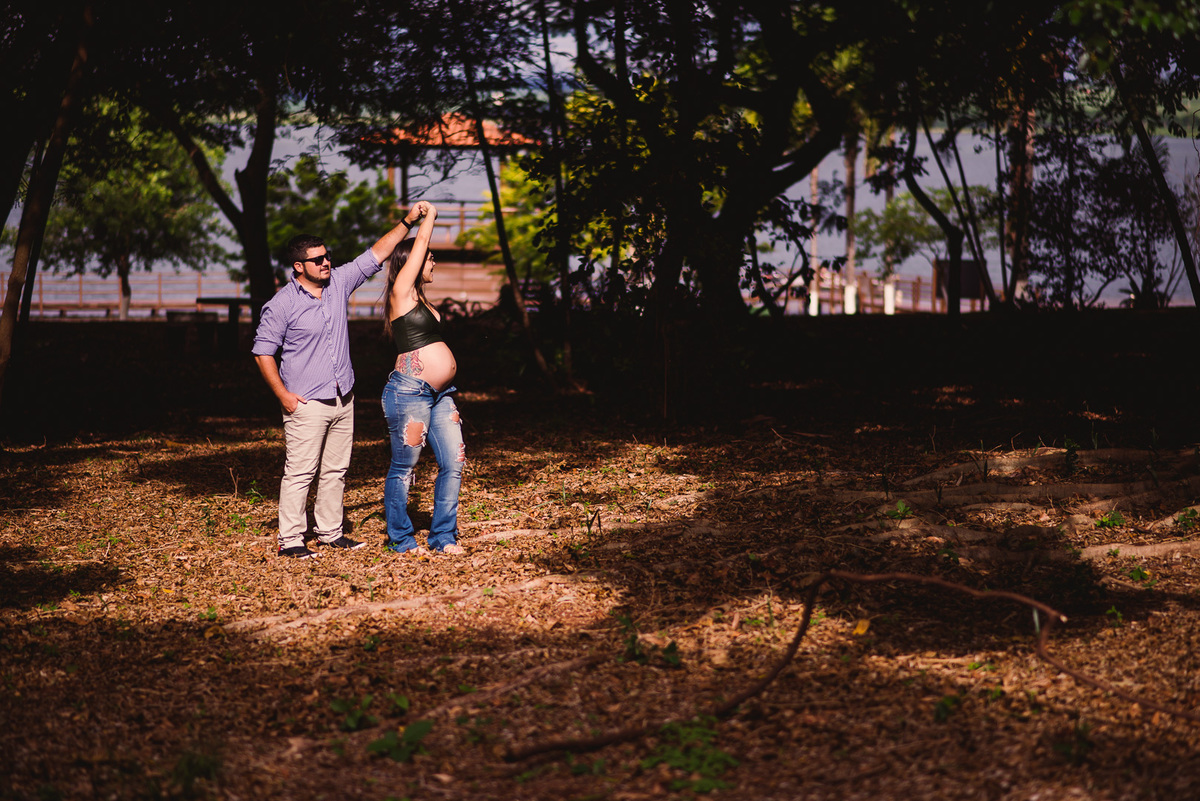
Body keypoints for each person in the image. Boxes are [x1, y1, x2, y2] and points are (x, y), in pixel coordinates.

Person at [252, 211, 420, 558]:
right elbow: (262, 352)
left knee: (335, 470)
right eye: (317, 260)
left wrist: (408, 221)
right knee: (300, 472)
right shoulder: (282, 304)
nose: (327, 262)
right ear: (298, 266)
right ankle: (292, 539)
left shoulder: (338, 283)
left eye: (327, 256)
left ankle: (330, 532)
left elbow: (375, 254)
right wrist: (284, 396)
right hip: (306, 403)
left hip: (344, 397)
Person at [380, 200, 466, 555]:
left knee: (454, 462)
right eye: (429, 258)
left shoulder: (423, 301)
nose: (433, 262)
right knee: (405, 466)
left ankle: (443, 536)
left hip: (440, 394)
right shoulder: (401, 294)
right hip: (408, 392)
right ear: (411, 264)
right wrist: (428, 218)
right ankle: (401, 538)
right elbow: (418, 251)